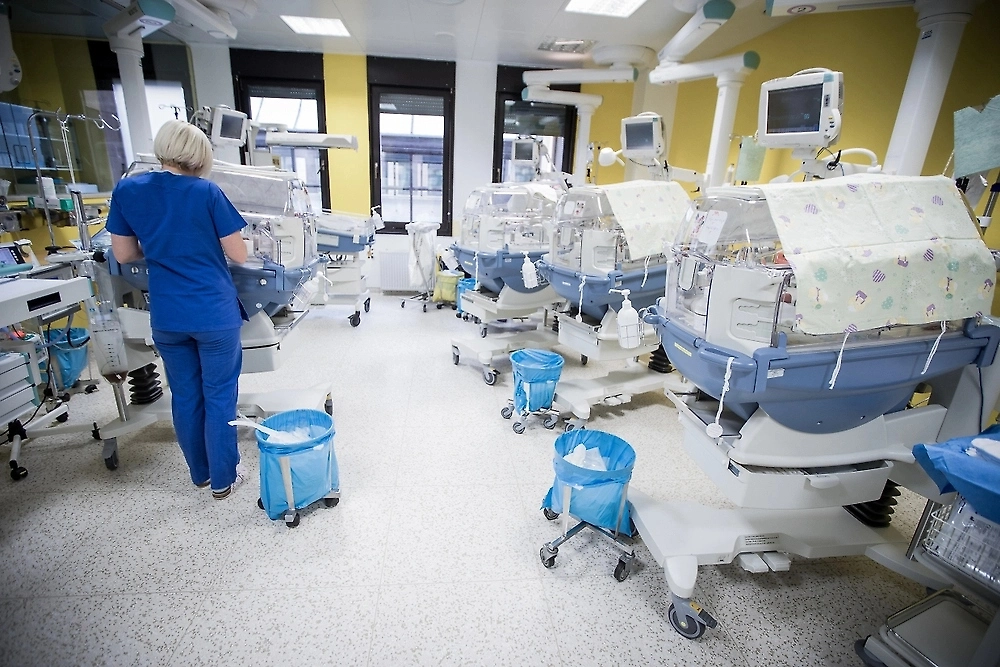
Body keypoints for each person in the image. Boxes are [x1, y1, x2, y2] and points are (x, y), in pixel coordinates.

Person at [107, 120, 250, 499]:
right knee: (219, 395)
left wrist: (161, 247)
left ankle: (200, 474)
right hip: (212, 312)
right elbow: (239, 253)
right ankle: (223, 479)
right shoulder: (206, 192)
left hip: (168, 315)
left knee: (185, 395)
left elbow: (123, 254)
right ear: (200, 156)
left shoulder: (127, 189)